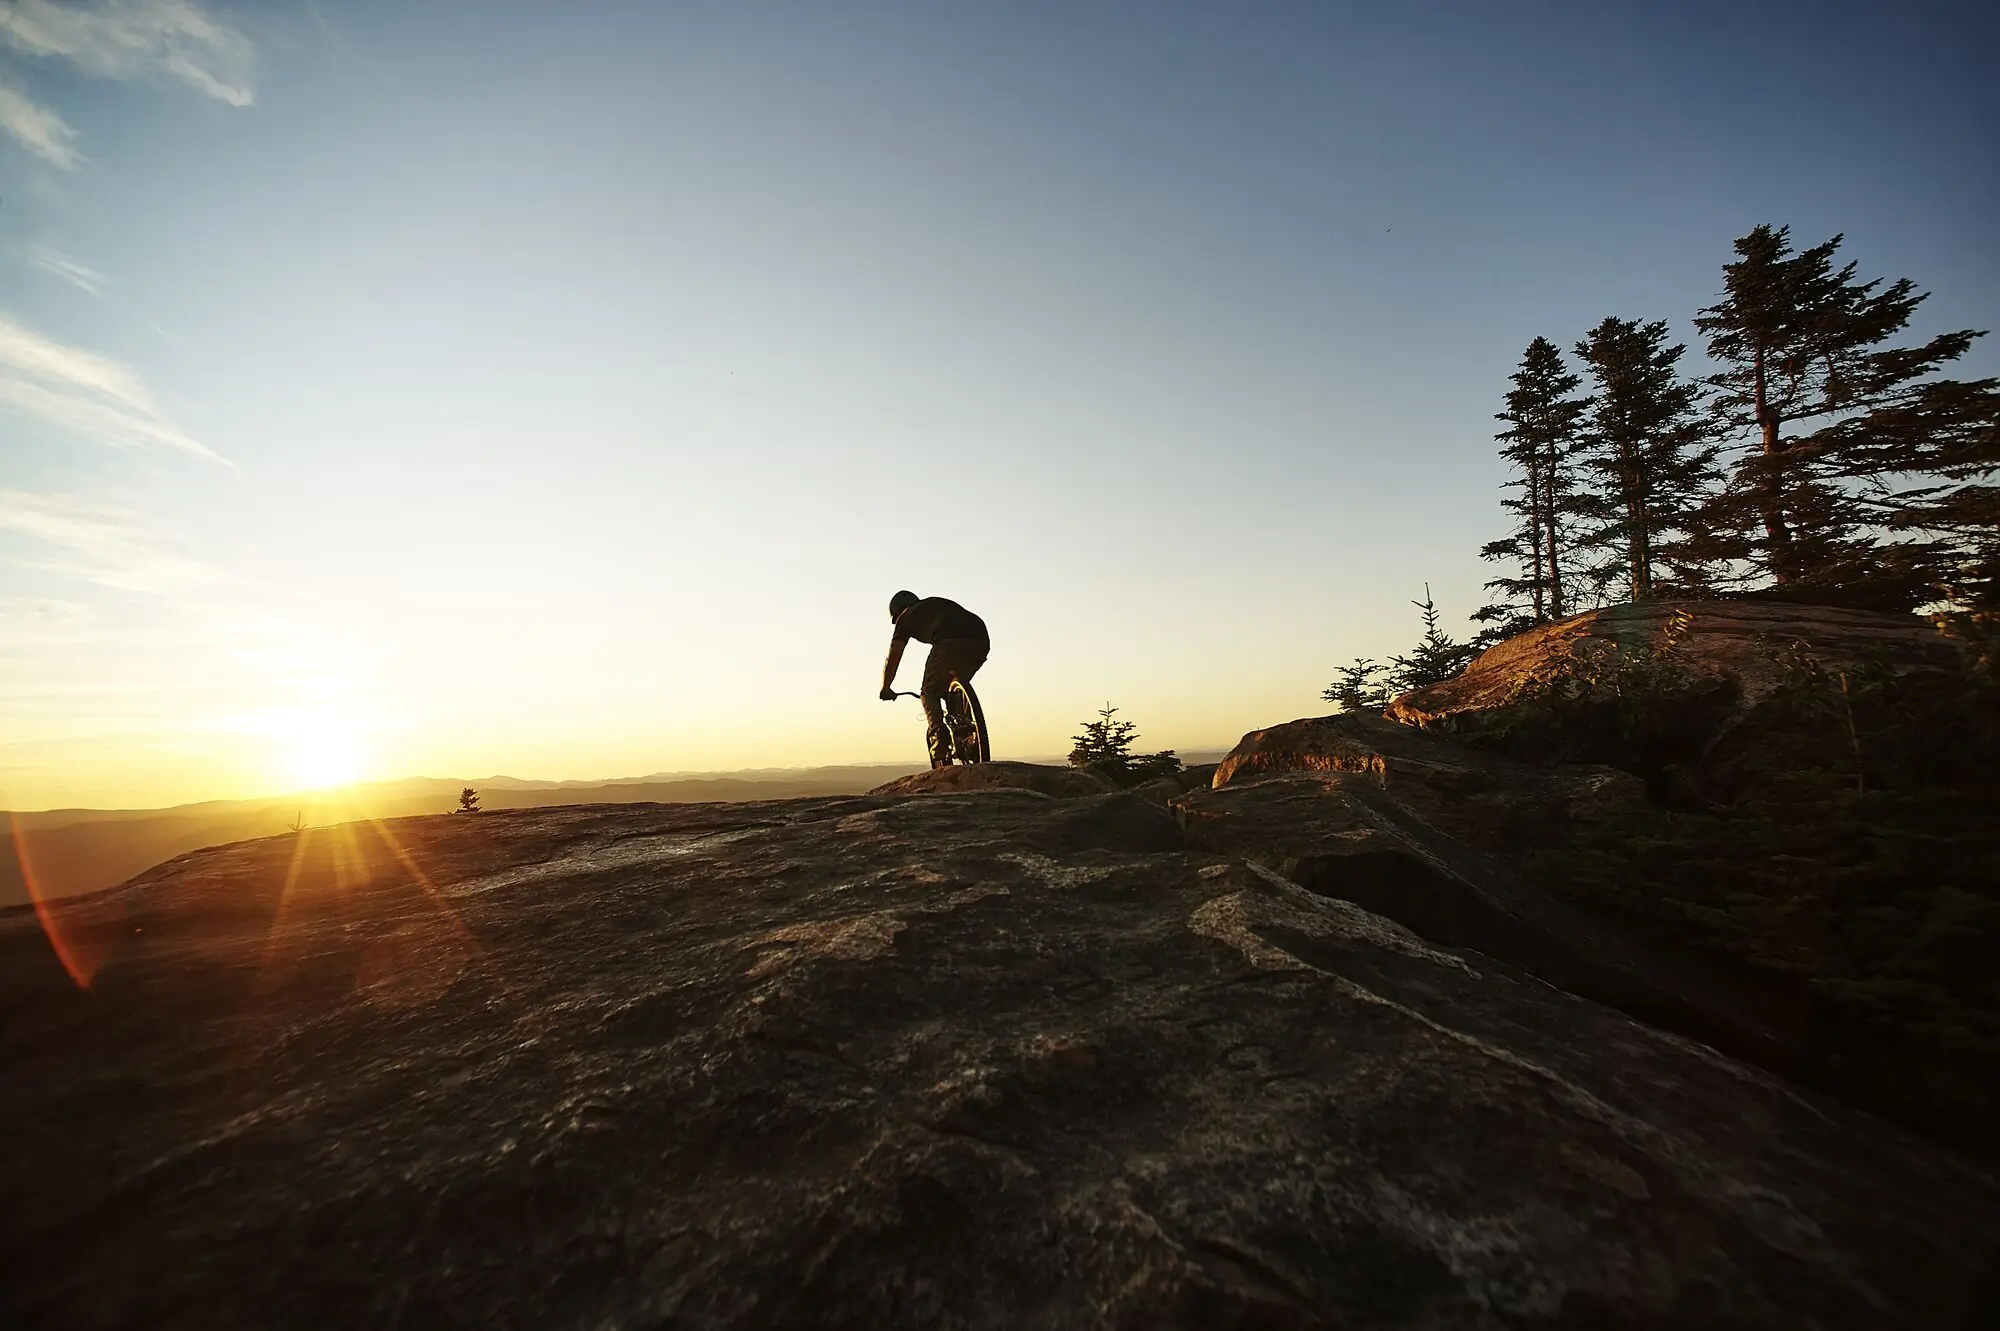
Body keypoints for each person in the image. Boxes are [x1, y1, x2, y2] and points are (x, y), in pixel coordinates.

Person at [879, 590, 989, 767]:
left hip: (949, 642)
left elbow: (893, 658)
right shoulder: (933, 603)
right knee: (952, 686)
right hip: (980, 639)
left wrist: (886, 687)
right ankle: (964, 732)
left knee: (929, 691)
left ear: (899, 611)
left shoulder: (905, 617)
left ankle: (940, 736)